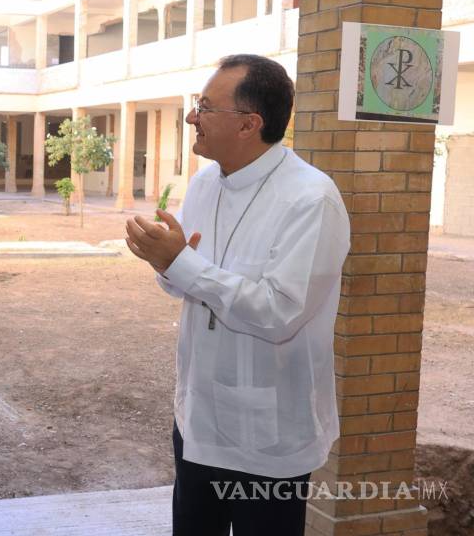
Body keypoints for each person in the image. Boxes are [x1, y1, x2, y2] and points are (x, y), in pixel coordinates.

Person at [124, 54, 350, 535]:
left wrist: (181, 263)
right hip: (198, 418)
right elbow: (188, 278)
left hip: (267, 435)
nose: (191, 117)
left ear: (249, 124)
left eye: (205, 106)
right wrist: (167, 263)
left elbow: (278, 312)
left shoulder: (312, 199)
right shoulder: (206, 183)